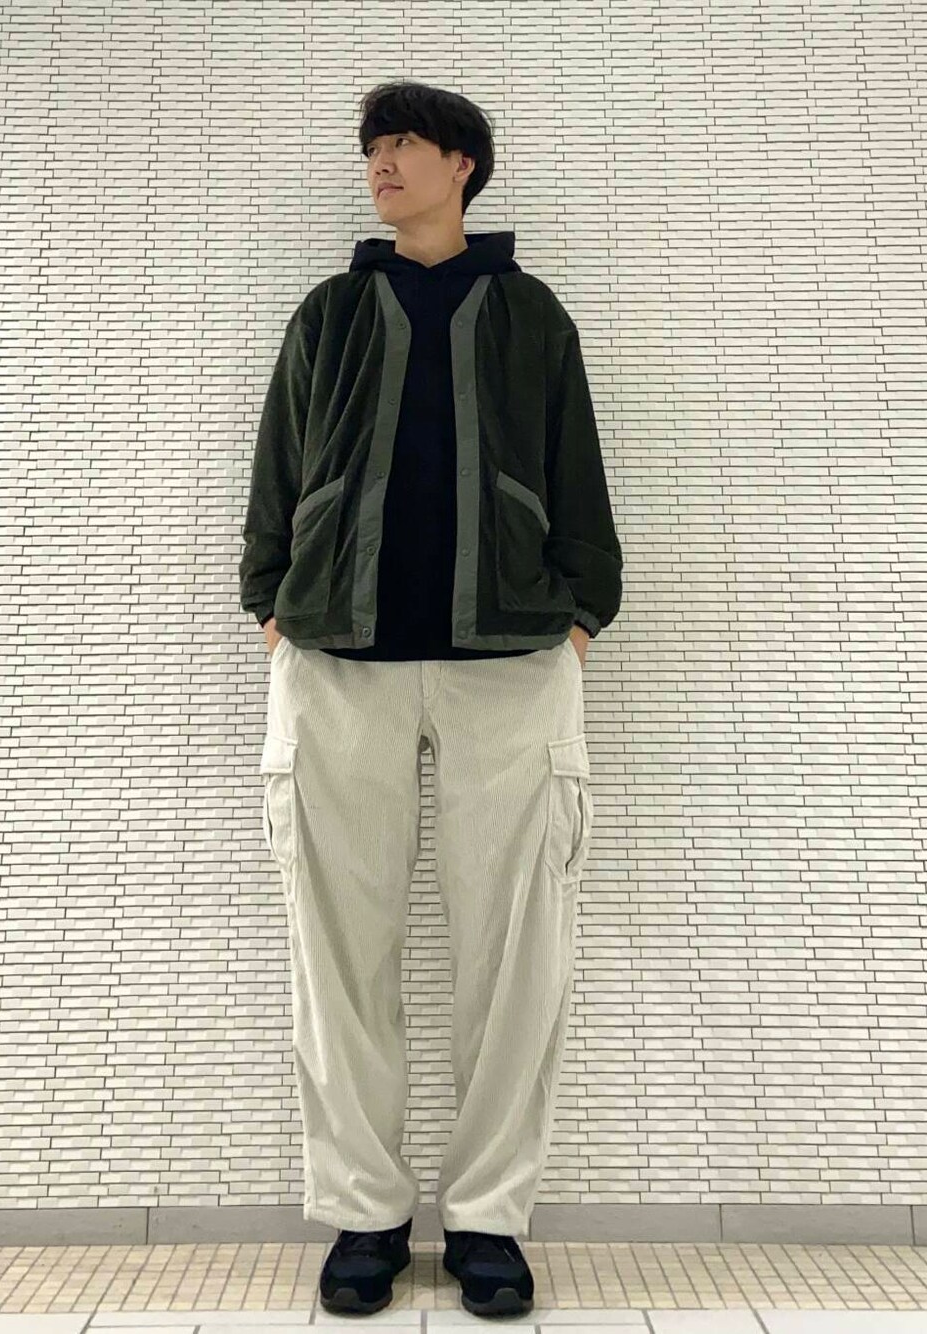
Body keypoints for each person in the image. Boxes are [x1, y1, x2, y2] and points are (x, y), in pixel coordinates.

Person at [239, 80, 623, 1318]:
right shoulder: (330, 311)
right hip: (334, 662)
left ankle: (487, 1218)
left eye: (401, 144)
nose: (379, 164)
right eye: (371, 148)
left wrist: (580, 611)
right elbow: (280, 458)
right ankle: (364, 1209)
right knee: (338, 948)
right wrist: (269, 596)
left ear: (462, 163)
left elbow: (574, 464)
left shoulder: (529, 313)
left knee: (516, 954)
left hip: (509, 665)